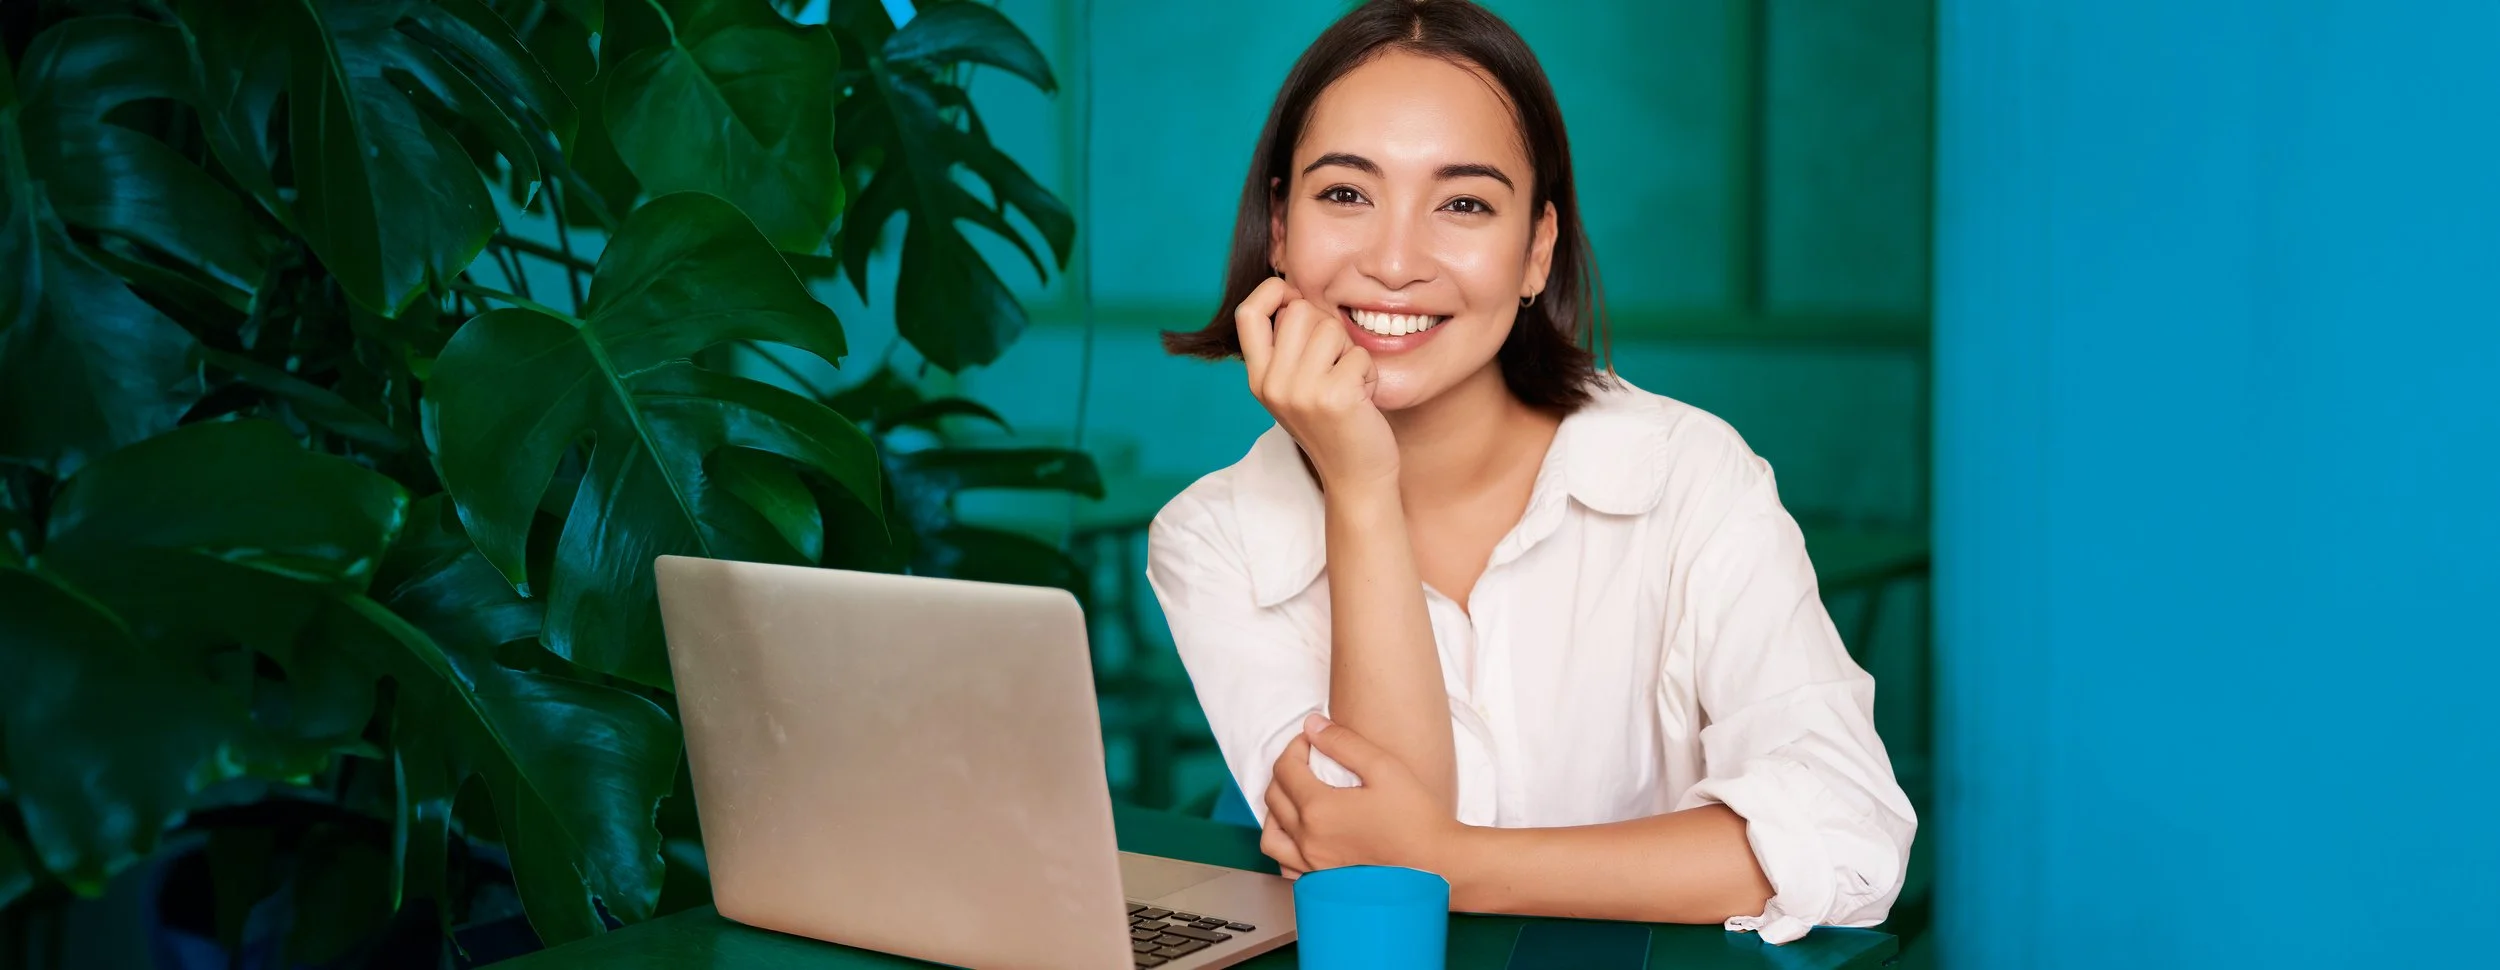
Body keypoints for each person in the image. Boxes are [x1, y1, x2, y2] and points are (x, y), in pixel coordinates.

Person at [1145, 0, 1916, 944]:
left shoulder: (1687, 473)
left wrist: (1455, 861)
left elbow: (1849, 835)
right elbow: (1375, 880)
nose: (1393, 262)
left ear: (1535, 249)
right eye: (1346, 194)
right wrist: (1359, 484)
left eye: (1463, 203)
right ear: (1279, 223)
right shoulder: (1213, 536)